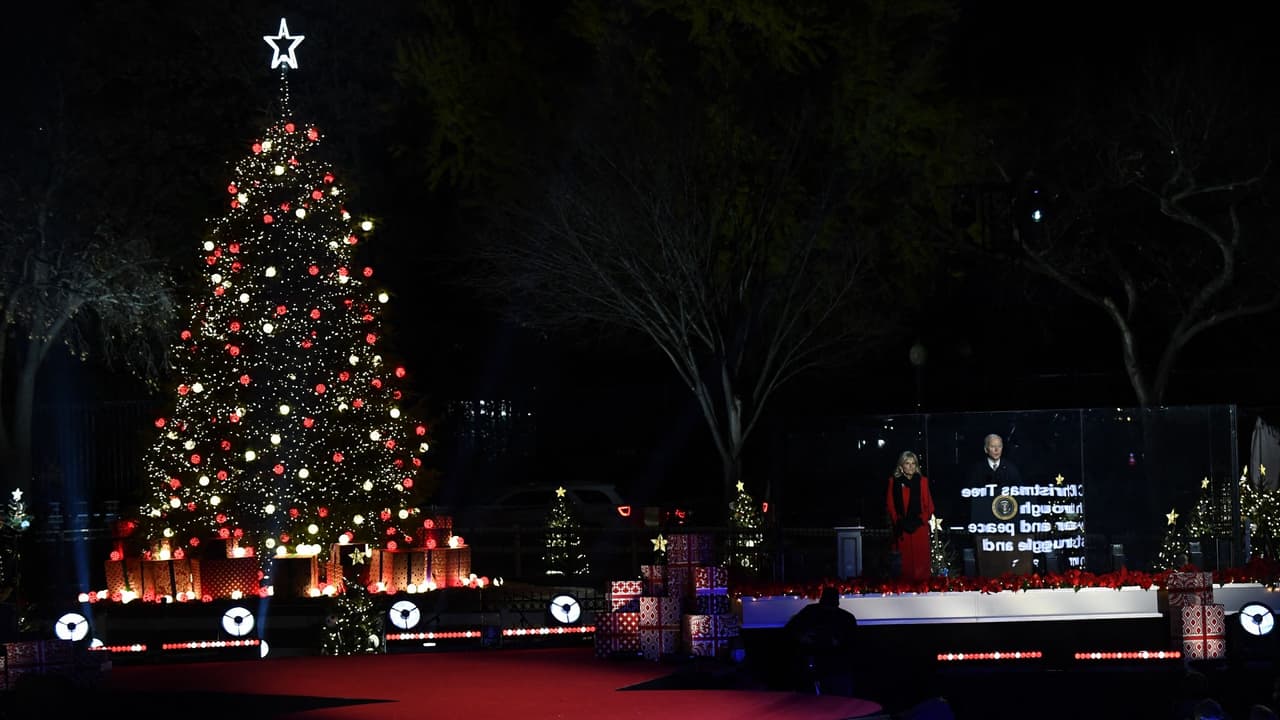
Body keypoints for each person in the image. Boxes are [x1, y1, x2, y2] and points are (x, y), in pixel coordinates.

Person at [782, 585, 859, 696]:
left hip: (835, 666)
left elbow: (852, 642)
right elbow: (790, 631)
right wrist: (802, 637)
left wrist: (838, 642)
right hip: (813, 664)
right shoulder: (811, 612)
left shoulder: (845, 618)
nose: (827, 612)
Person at [886, 451, 935, 583]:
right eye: (907, 463)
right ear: (901, 466)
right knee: (904, 564)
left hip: (919, 527)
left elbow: (930, 507)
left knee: (920, 562)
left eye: (913, 463)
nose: (911, 466)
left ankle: (922, 587)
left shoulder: (922, 482)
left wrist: (920, 520)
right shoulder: (893, 482)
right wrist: (899, 522)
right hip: (902, 529)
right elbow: (890, 505)